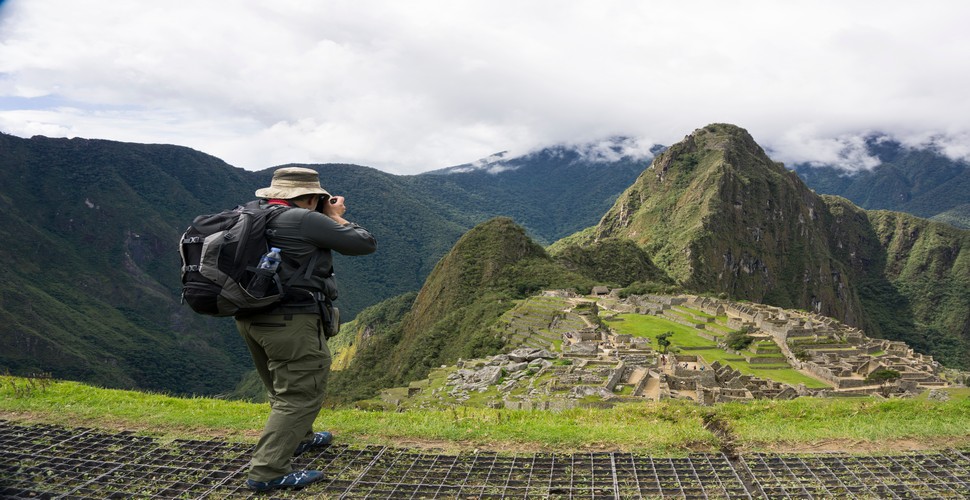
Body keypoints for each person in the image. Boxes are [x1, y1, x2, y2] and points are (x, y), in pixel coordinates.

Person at [236, 166, 377, 492]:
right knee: (300, 394)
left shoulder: (252, 213)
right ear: (312, 197)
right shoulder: (306, 219)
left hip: (249, 316)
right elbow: (365, 243)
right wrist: (336, 215)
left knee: (280, 386)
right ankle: (268, 470)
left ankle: (301, 437)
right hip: (291, 321)